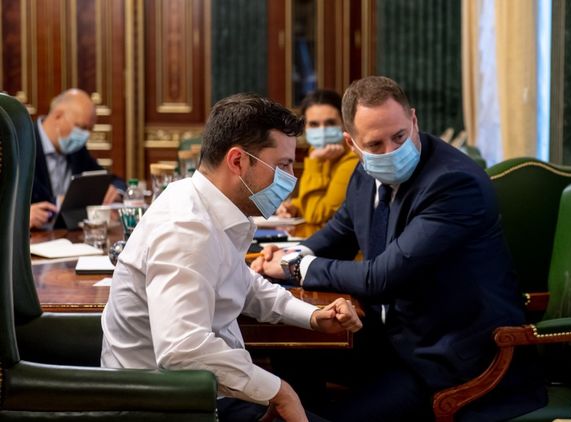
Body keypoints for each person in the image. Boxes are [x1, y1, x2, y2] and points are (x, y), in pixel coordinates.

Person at [253, 76, 545, 421]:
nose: (390, 151)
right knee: (292, 352)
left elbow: (381, 277)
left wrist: (294, 267)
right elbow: (340, 232)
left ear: (414, 121)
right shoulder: (365, 172)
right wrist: (291, 255)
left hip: (449, 358)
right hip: (392, 340)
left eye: (400, 136)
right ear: (352, 144)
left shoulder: (453, 183)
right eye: (375, 144)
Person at [100, 93, 362, 422]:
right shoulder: (186, 228)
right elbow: (183, 348)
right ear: (237, 161)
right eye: (282, 165)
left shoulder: (199, 200)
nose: (290, 179)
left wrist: (312, 315)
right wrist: (278, 391)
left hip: (202, 390)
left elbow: (242, 281)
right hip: (167, 404)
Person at [30, 88, 124, 229]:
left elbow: (110, 179)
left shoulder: (77, 150)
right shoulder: (21, 144)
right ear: (58, 116)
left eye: (90, 129)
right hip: (32, 236)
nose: (85, 136)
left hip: (68, 234)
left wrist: (115, 190)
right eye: (81, 127)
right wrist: (21, 217)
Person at [276, 89, 358, 224]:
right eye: (314, 124)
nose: (322, 130)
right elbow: (317, 198)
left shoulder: (353, 160)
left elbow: (316, 214)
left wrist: (314, 161)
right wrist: (295, 207)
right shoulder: (318, 151)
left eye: (330, 123)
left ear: (344, 123)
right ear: (305, 127)